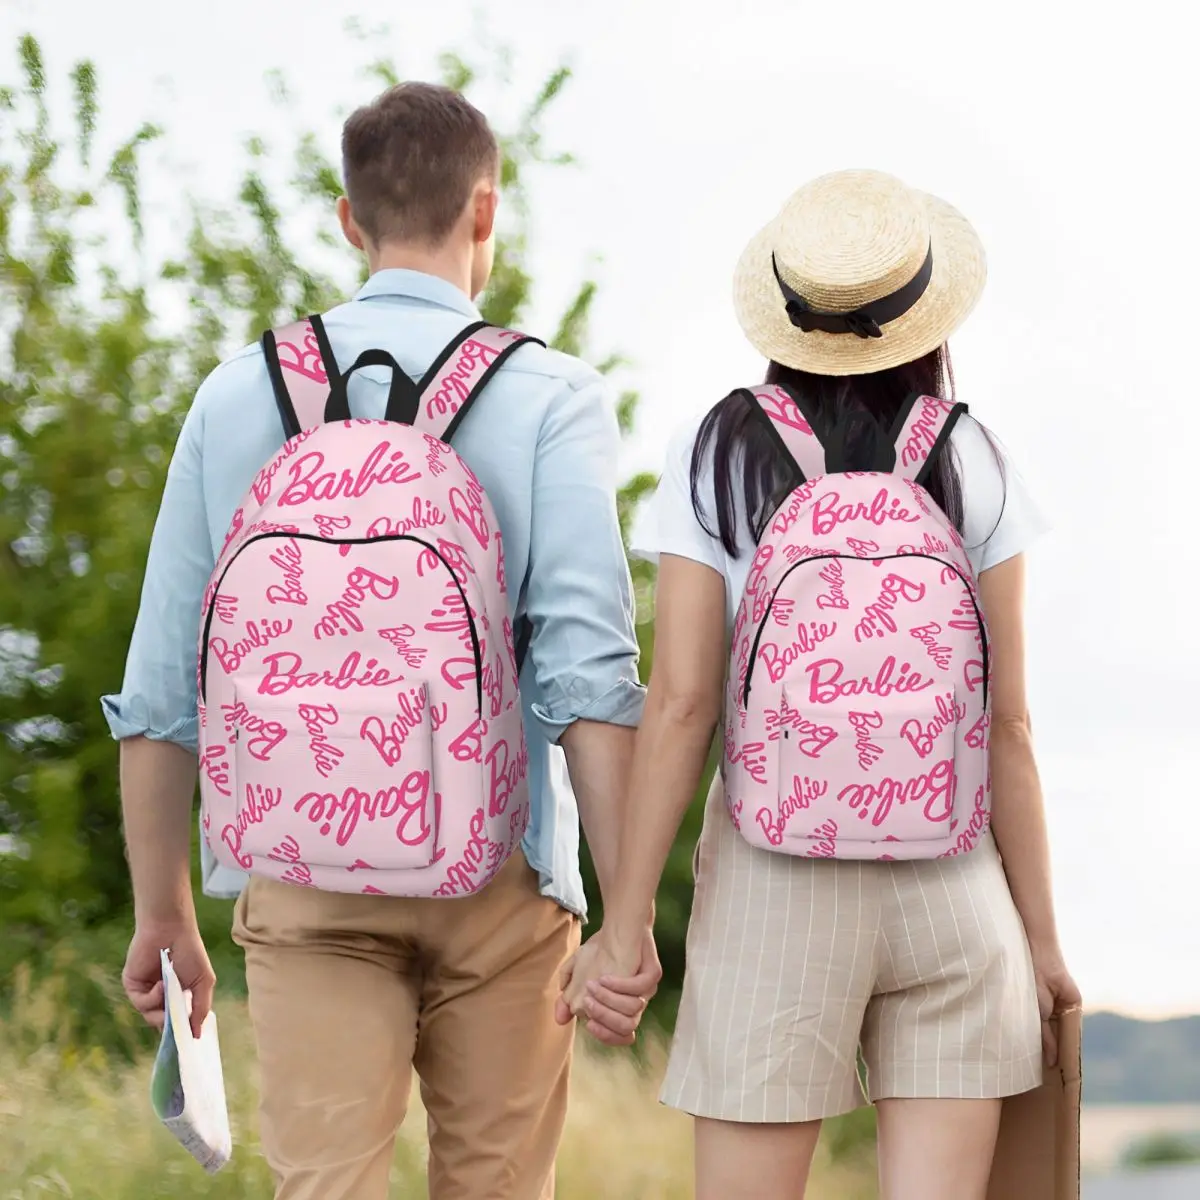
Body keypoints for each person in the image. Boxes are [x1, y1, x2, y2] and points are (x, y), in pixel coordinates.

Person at [105, 81, 661, 1200]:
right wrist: (628, 915)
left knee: (325, 1187)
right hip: (502, 875)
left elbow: (164, 683)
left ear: (349, 219)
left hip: (301, 872)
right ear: (486, 213)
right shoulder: (550, 395)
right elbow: (588, 677)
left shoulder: (236, 395)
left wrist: (162, 910)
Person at [560, 169, 1081, 1200]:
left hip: (773, 883)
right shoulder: (974, 455)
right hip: (955, 885)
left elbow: (682, 705)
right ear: (925, 315)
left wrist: (624, 927)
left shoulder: (717, 450)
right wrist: (1043, 944)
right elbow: (1009, 725)